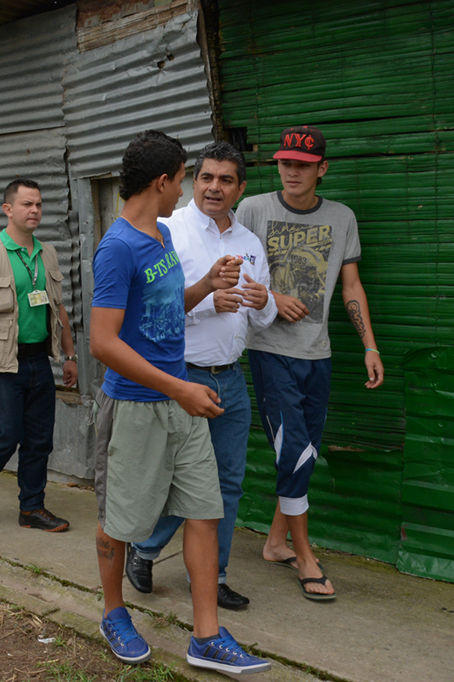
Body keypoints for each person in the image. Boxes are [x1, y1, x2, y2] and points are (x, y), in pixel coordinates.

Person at [89, 130, 269, 674]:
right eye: (187, 176)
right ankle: (114, 612)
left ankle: (206, 636)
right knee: (119, 520)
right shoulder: (117, 247)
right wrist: (178, 387)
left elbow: (166, 307)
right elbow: (103, 341)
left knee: (205, 512)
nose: (191, 187)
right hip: (139, 404)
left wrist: (205, 288)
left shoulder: (162, 236)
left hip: (181, 400)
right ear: (163, 181)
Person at [124, 142, 277, 611]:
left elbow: (266, 315)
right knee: (175, 480)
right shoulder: (167, 231)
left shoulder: (249, 244)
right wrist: (210, 300)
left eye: (226, 180)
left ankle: (216, 575)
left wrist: (260, 302)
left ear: (240, 188)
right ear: (193, 181)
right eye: (207, 177)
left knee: (228, 483)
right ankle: (145, 548)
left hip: (231, 379)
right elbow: (149, 311)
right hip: (181, 376)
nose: (214, 187)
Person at [239, 126, 384, 601]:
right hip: (269, 350)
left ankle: (276, 542)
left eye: (302, 164)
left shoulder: (342, 218)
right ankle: (304, 556)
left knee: (305, 453)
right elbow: (234, 273)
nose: (291, 171)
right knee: (294, 451)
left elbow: (351, 287)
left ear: (322, 168)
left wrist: (370, 346)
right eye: (285, 162)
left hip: (317, 353)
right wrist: (273, 298)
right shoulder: (254, 209)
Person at [0, 179, 78, 532]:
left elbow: (58, 308)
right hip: (0, 364)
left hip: (39, 361)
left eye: (38, 204)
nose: (34, 210)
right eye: (26, 204)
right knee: (6, 436)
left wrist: (70, 355)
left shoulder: (47, 253)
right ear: (8, 209)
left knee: (40, 440)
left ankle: (31, 509)